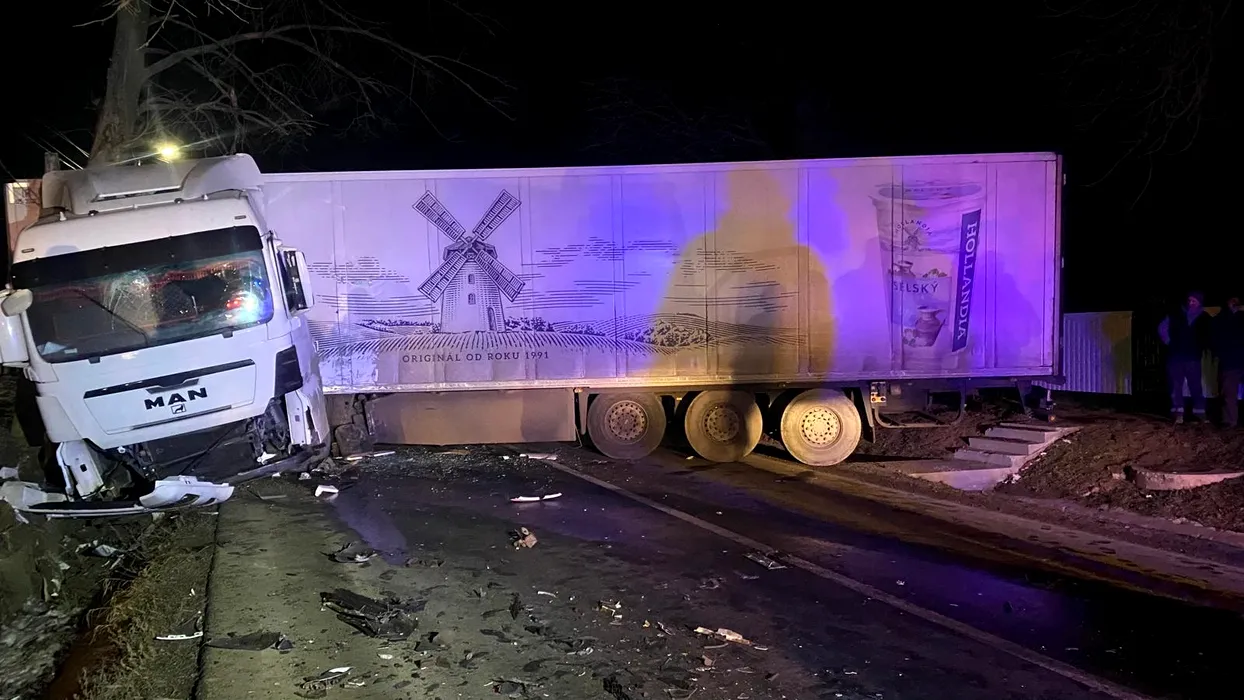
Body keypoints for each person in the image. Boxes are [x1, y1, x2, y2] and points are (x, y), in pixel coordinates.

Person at [1158, 291, 1211, 424]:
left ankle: (1199, 412)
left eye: (1194, 301)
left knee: (1196, 386)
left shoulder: (1204, 317)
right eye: (1189, 300)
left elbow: (1209, 334)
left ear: (1199, 302)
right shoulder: (1175, 314)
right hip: (1175, 356)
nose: (1191, 303)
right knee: (1175, 386)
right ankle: (1178, 413)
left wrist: (1203, 346)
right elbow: (1162, 327)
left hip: (1193, 356)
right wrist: (1169, 341)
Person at [1214, 296, 1243, 427]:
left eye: (1236, 300)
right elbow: (1214, 337)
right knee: (1229, 392)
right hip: (1230, 360)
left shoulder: (1242, 318)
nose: (1233, 303)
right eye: (1231, 300)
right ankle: (1230, 421)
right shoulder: (1220, 319)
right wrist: (1219, 353)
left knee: (1229, 392)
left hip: (1237, 359)